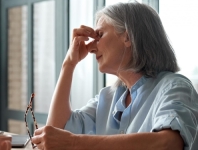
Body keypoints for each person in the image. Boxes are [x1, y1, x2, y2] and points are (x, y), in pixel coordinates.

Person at [32, 2, 198, 150]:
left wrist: (74, 143)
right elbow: (56, 135)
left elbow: (168, 144)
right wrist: (68, 64)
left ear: (127, 37)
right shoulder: (108, 98)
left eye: (100, 35)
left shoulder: (174, 87)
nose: (91, 48)